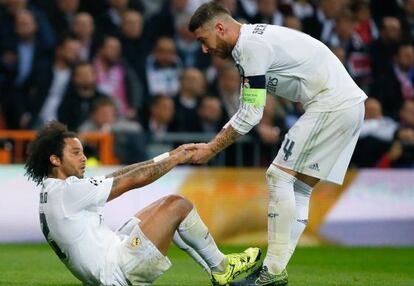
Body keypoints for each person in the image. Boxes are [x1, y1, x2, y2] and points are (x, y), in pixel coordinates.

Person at [188, 2, 367, 285]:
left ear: (220, 28)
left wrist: (211, 148)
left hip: (332, 103)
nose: (204, 49)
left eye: (203, 40)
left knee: (278, 175)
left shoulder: (249, 47)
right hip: (347, 104)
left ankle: (271, 272)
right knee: (301, 188)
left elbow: (250, 114)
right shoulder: (251, 42)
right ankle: (272, 271)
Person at [24, 121, 261, 286]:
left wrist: (168, 155)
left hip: (111, 263)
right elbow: (133, 180)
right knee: (176, 205)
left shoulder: (55, 190)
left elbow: (116, 177)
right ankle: (222, 267)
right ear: (55, 159)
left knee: (161, 209)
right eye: (75, 152)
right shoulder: (69, 191)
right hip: (119, 272)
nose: (84, 157)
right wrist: (177, 158)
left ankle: (218, 271)